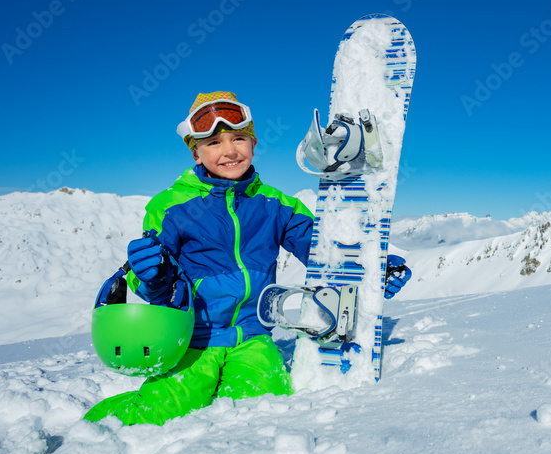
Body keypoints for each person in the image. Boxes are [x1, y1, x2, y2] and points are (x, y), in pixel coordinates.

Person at [84, 91, 409, 426]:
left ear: (253, 143)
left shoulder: (275, 204)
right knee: (160, 412)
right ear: (196, 153)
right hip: (193, 339)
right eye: (212, 143)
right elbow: (156, 290)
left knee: (261, 408)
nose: (229, 151)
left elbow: (323, 249)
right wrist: (151, 274)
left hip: (254, 336)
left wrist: (373, 269)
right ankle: (91, 427)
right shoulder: (169, 206)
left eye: (239, 138)